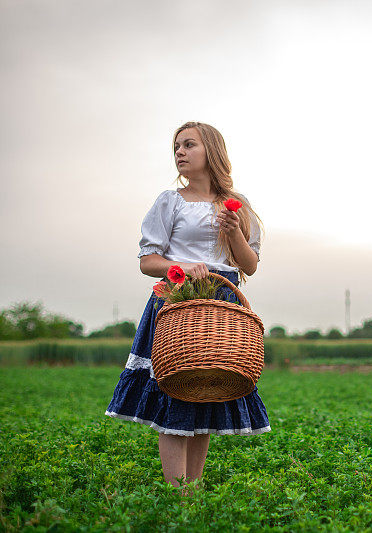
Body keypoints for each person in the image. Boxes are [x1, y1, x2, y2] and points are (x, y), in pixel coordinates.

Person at [105, 122, 271, 493]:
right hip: (178, 300)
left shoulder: (237, 205)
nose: (179, 152)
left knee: (205, 390)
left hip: (220, 301)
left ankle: (191, 493)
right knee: (176, 388)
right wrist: (180, 268)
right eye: (177, 146)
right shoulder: (169, 200)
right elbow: (148, 261)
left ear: (210, 150)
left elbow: (249, 265)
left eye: (189, 145)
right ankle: (176, 495)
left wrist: (233, 232)